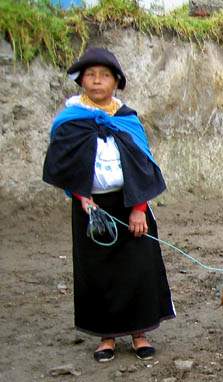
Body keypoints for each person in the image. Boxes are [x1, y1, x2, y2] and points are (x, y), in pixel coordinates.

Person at [42, 47, 174, 363]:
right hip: (90, 208)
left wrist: (140, 208)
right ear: (81, 80)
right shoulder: (69, 121)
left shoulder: (127, 120)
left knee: (138, 268)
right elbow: (64, 166)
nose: (97, 81)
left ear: (116, 82)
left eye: (104, 76)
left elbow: (143, 164)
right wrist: (83, 199)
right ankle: (107, 337)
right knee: (97, 271)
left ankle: (139, 333)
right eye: (91, 75)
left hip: (130, 205)